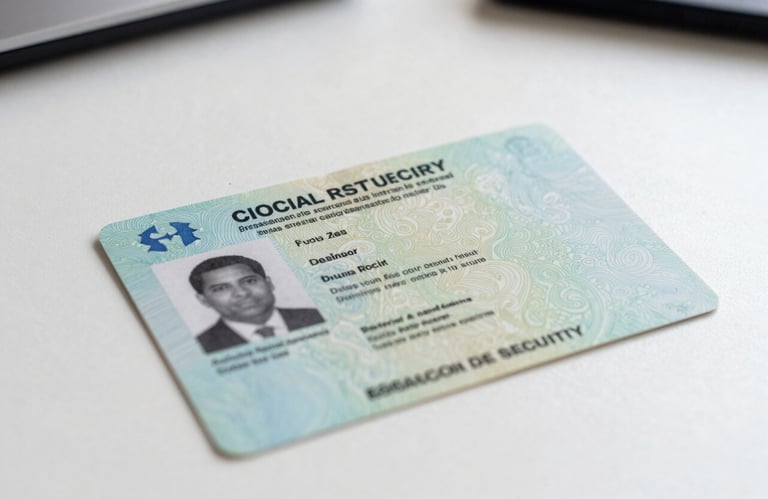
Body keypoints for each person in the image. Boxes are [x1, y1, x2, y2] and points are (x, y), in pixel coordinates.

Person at [189, 255, 324, 353]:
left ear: (269, 283)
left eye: (249, 281)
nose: (242, 293)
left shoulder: (318, 316)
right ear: (203, 300)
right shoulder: (202, 347)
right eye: (221, 288)